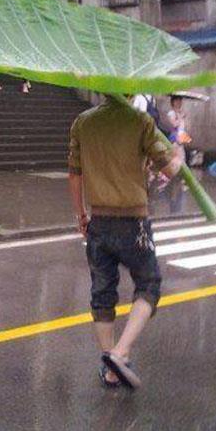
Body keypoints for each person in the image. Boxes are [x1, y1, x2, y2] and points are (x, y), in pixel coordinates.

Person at [68, 95, 182, 390]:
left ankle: (110, 368)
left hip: (98, 221)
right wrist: (178, 156)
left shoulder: (84, 122)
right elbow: (169, 169)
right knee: (149, 284)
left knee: (102, 293)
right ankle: (119, 354)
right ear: (130, 90)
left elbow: (74, 173)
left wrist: (81, 215)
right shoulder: (140, 121)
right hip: (134, 223)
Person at [166, 95, 191, 163]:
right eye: (177, 101)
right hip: (175, 139)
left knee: (182, 159)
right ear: (173, 102)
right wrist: (180, 117)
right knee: (177, 159)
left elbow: (182, 127)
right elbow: (174, 124)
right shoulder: (171, 113)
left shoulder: (180, 113)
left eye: (180, 101)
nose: (179, 103)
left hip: (181, 138)